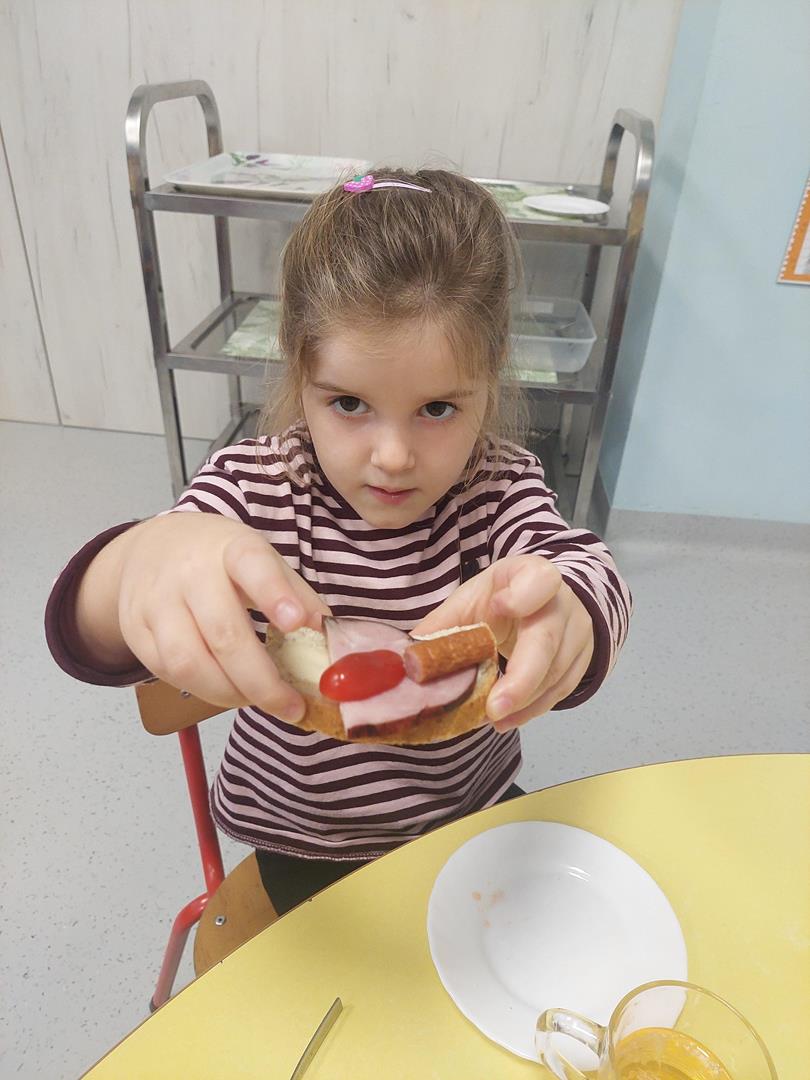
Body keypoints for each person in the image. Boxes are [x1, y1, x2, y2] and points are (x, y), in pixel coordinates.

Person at [45, 169, 632, 914]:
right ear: (300, 372)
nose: (392, 456)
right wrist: (135, 561)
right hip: (304, 841)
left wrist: (572, 608)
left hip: (468, 813)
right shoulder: (256, 490)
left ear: (489, 383)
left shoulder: (498, 488)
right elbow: (94, 631)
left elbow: (581, 565)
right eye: (350, 402)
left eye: (438, 409)